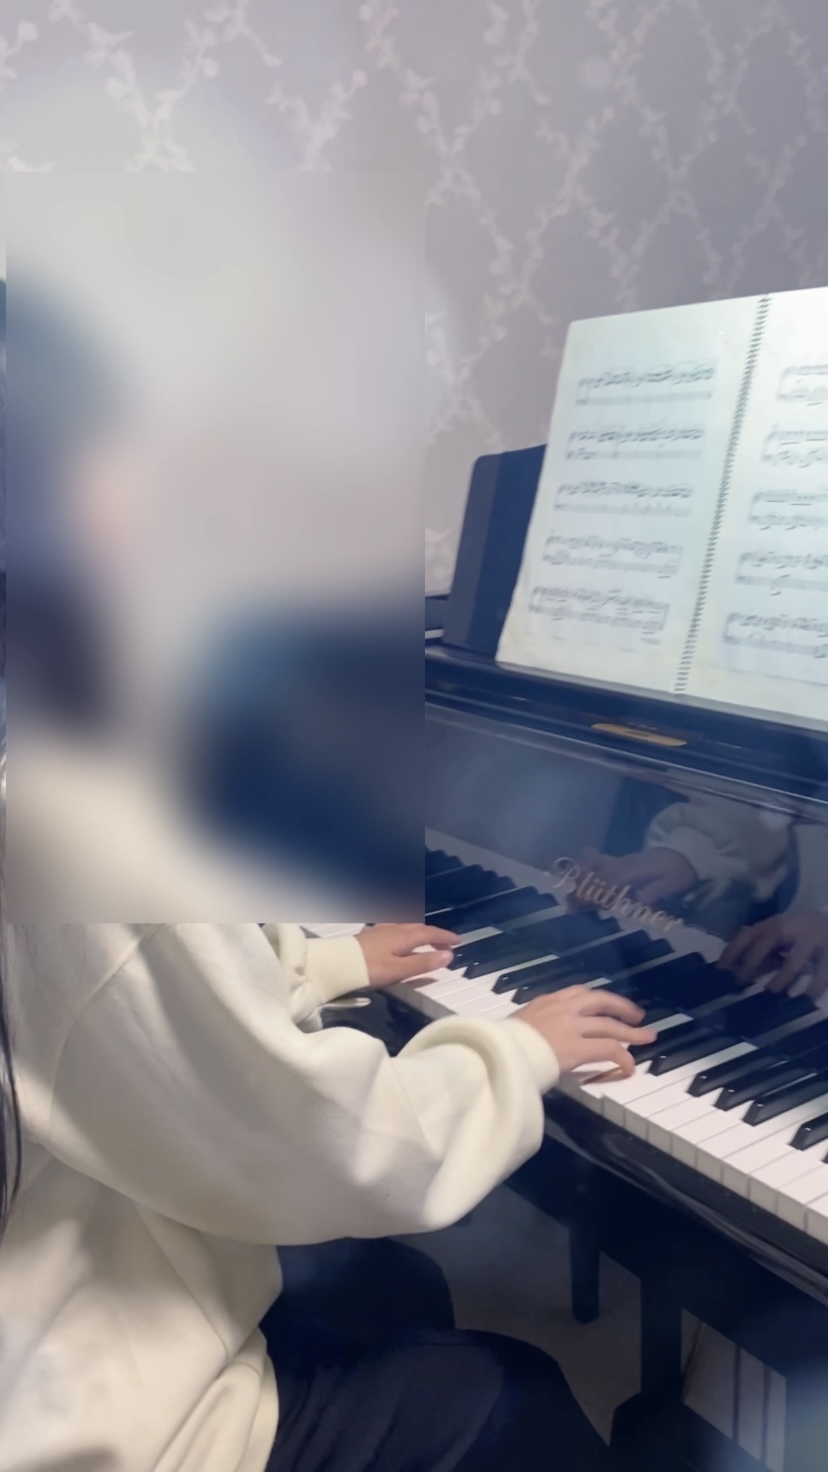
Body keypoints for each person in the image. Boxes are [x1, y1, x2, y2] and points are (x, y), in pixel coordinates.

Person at [0, 282, 659, 1470]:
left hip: (76, 1265)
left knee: (395, 1285)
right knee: (514, 1395)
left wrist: (317, 961)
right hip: (85, 1397)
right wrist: (514, 1050)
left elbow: (117, 999)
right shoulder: (71, 794)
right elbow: (310, 1141)